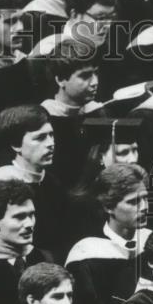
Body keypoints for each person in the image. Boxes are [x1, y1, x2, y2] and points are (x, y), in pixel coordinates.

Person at [0, 104, 69, 256]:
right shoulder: (1, 181)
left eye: (51, 135)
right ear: (16, 145)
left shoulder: (53, 183)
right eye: (40, 138)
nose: (50, 143)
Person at [66, 163, 152, 304]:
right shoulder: (86, 255)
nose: (145, 207)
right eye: (133, 202)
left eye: (146, 198)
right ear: (108, 206)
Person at [38, 38, 105, 190]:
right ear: (61, 80)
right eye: (85, 76)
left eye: (96, 73)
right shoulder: (44, 120)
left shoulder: (99, 112)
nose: (94, 82)